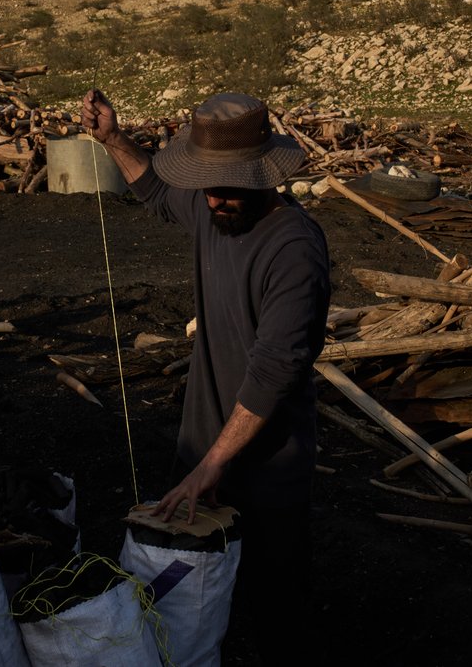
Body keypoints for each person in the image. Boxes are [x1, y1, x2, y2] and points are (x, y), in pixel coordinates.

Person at [81, 89, 330, 664]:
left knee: (273, 603)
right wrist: (114, 139)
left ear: (264, 175)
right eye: (207, 182)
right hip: (204, 446)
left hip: (268, 461)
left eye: (227, 184)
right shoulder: (215, 208)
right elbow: (158, 193)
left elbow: (276, 370)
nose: (213, 197)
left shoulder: (293, 249)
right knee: (191, 593)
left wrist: (214, 465)